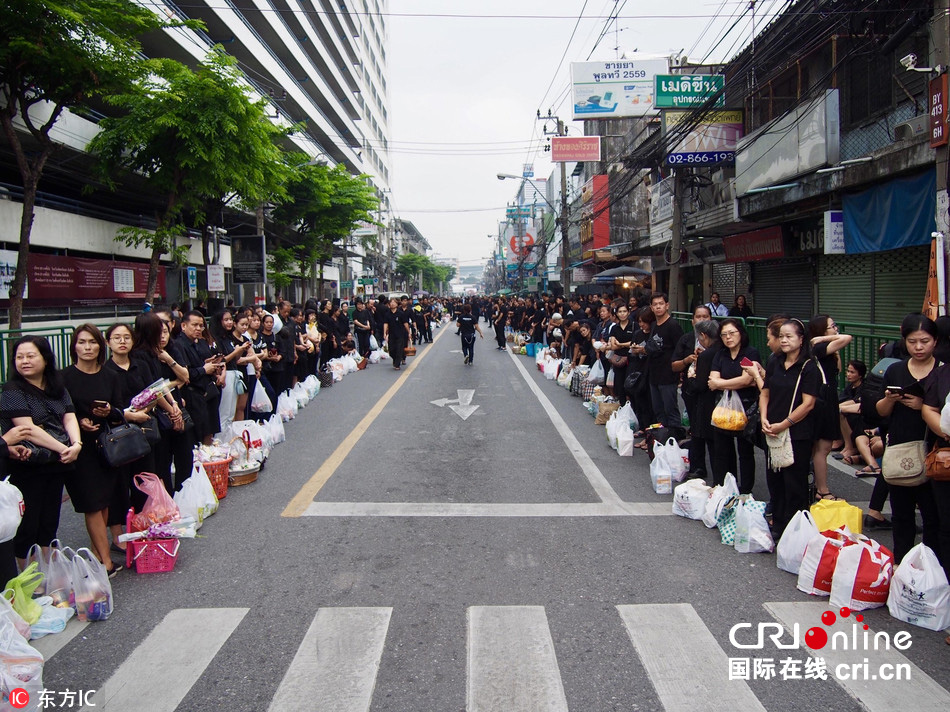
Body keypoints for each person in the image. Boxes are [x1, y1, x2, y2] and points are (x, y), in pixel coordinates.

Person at [1, 336, 82, 569]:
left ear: (45, 359)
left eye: (30, 355)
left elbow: (69, 416)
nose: (24, 361)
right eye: (19, 357)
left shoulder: (57, 386)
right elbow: (27, 429)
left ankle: (51, 569)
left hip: (57, 463)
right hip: (28, 465)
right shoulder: (12, 389)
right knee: (28, 522)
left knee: (50, 519)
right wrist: (65, 448)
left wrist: (77, 444)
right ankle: (29, 574)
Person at [876, 314, 941, 566]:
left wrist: (923, 406)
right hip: (901, 449)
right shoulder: (895, 370)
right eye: (913, 341)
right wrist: (889, 400)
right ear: (905, 342)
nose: (919, 347)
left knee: (932, 517)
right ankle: (901, 569)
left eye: (925, 341)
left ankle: (931, 570)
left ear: (935, 341)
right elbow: (880, 412)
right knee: (902, 516)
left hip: (934, 450)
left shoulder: (943, 370)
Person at [62, 325, 124, 573]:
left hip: (106, 446)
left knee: (104, 502)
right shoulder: (63, 377)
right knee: (92, 504)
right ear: (74, 346)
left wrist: (108, 412)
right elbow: (58, 413)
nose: (87, 347)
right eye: (81, 342)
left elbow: (121, 411)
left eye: (92, 342)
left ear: (101, 346)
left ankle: (97, 552)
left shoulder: (110, 376)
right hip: (79, 448)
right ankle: (106, 562)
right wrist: (78, 422)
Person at [759, 319, 819, 538]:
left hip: (796, 432)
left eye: (789, 336)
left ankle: (797, 532)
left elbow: (808, 404)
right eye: (781, 336)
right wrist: (764, 419)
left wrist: (783, 425)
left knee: (795, 484)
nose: (784, 340)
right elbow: (765, 392)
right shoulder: (775, 361)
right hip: (771, 430)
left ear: (801, 339)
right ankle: (778, 525)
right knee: (775, 480)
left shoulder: (809, 367)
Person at [708, 318, 760, 493]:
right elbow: (712, 379)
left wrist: (721, 384)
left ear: (741, 333)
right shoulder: (720, 354)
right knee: (723, 449)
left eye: (732, 333)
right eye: (724, 334)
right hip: (723, 408)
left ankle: (745, 490)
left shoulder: (749, 353)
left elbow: (748, 379)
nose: (728, 337)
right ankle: (725, 487)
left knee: (745, 451)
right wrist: (737, 383)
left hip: (746, 407)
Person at [808, 314, 853, 501]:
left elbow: (838, 368)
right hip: (825, 398)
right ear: (821, 331)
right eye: (832, 326)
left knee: (819, 447)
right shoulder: (819, 346)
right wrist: (825, 338)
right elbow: (847, 338)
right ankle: (823, 490)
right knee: (823, 447)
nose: (836, 329)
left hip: (828, 396)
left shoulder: (825, 348)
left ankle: (817, 487)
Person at [836, 360, 884, 476]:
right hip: (870, 431)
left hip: (881, 434)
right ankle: (873, 465)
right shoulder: (850, 386)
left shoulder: (865, 388)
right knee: (860, 439)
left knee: (878, 445)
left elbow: (857, 404)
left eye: (852, 372)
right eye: (848, 371)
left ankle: (861, 458)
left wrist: (878, 432)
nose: (848, 374)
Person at [688, 320, 722, 481]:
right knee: (722, 447)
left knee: (710, 443)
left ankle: (717, 481)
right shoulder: (723, 351)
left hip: (707, 404)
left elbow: (700, 385)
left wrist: (691, 378)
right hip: (723, 405)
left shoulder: (707, 355)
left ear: (703, 335)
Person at [644, 293, 684, 429]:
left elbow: (680, 349)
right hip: (654, 374)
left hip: (668, 375)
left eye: (661, 304)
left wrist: (679, 372)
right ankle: (662, 439)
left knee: (670, 410)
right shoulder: (654, 325)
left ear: (667, 306)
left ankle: (675, 439)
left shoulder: (673, 325)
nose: (658, 307)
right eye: (655, 304)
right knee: (659, 411)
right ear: (651, 307)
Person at [606, 304, 635, 406]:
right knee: (619, 385)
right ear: (616, 314)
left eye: (624, 311)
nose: (622, 314)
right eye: (620, 312)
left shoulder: (633, 326)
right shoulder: (615, 328)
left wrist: (620, 344)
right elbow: (613, 346)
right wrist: (626, 345)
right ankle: (622, 407)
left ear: (628, 312)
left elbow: (634, 343)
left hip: (632, 359)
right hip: (618, 360)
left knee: (631, 385)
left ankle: (633, 408)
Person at [383, 297, 411, 370]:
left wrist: (409, 332)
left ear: (397, 304)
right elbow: (385, 323)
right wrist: (384, 333)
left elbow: (405, 324)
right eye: (391, 303)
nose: (392, 304)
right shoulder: (387, 314)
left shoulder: (401, 313)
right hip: (391, 335)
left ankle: (397, 364)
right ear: (389, 304)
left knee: (399, 349)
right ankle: (395, 359)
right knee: (391, 350)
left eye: (394, 302)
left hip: (400, 335)